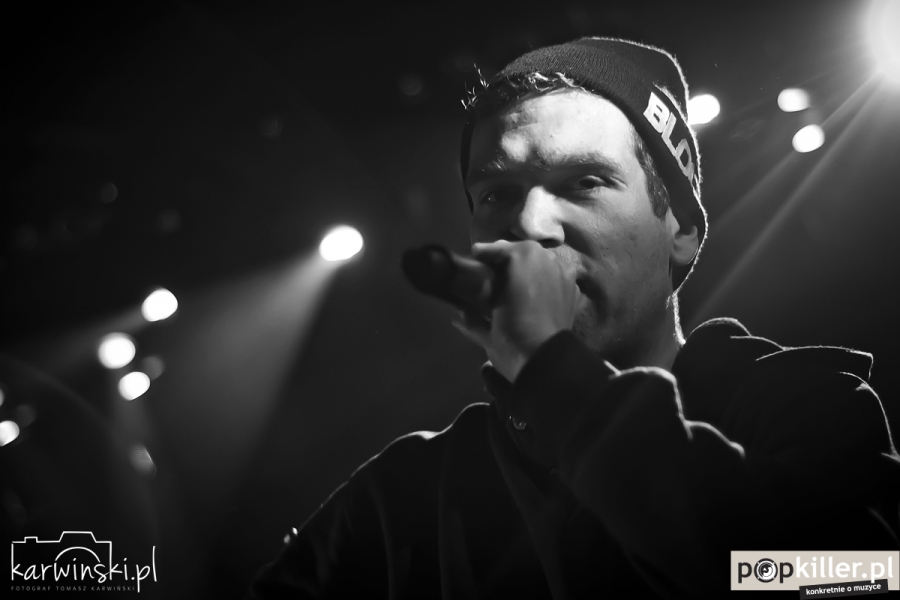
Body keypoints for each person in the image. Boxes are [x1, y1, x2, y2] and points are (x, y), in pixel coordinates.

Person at [246, 37, 900, 598]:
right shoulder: (401, 495)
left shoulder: (802, 404)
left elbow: (842, 579)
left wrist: (553, 376)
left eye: (583, 182)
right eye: (497, 194)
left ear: (681, 229)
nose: (530, 224)